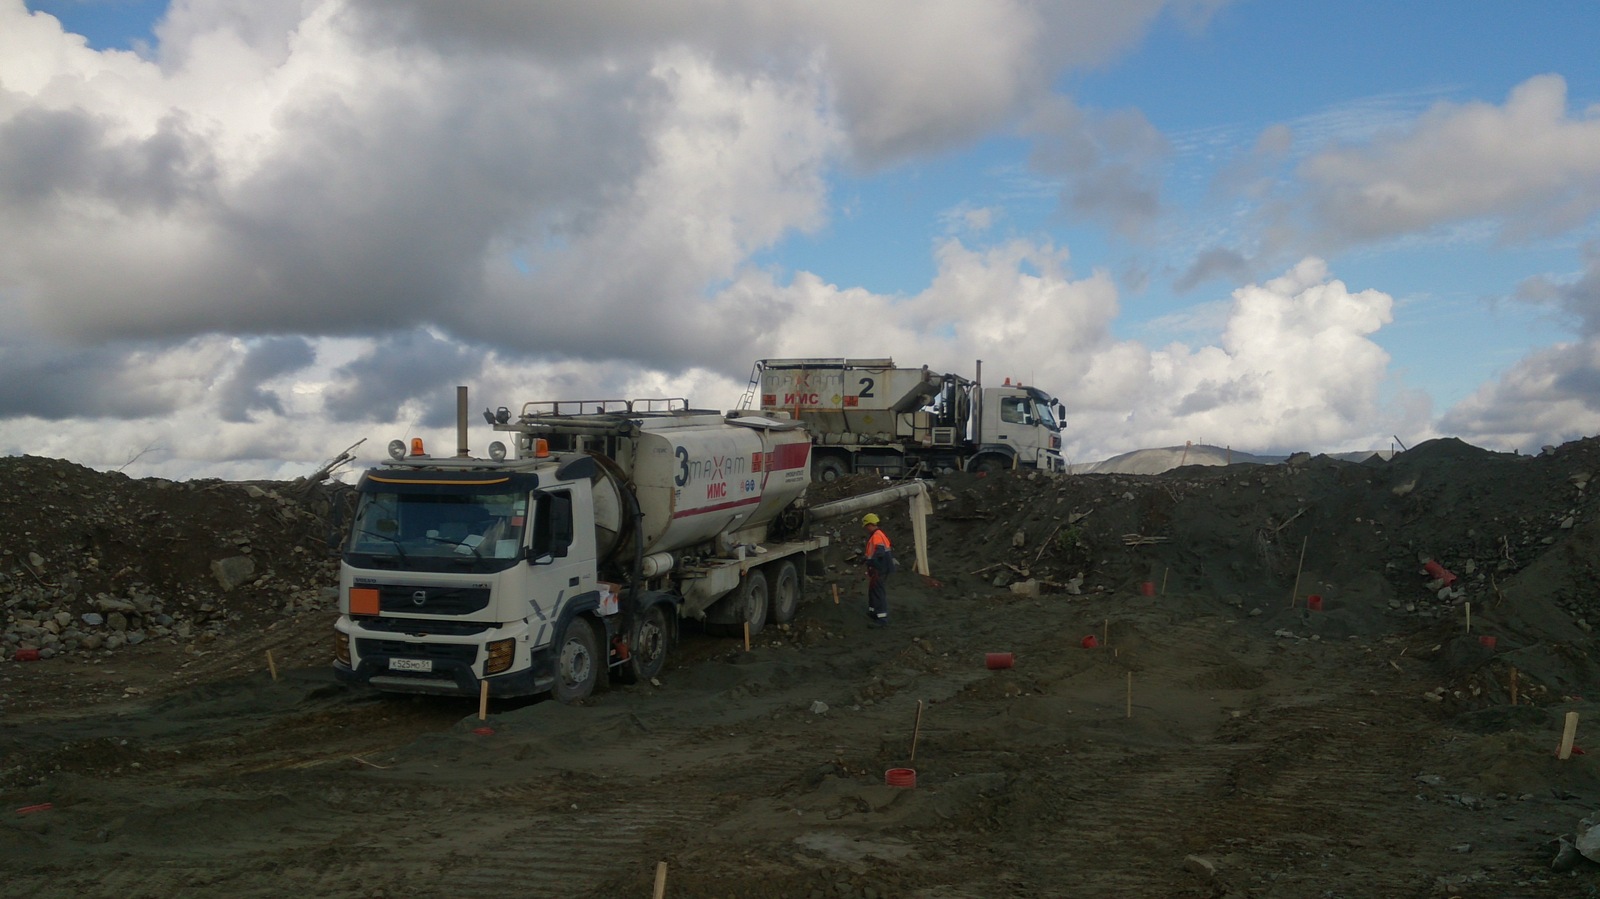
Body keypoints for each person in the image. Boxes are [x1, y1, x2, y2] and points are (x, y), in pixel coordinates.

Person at [861, 512, 894, 627]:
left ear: (870, 524)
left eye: (866, 526)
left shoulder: (877, 536)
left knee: (878, 592)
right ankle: (873, 612)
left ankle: (882, 619)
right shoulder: (878, 535)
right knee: (874, 590)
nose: (865, 529)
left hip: (880, 568)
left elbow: (879, 552)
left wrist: (871, 562)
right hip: (880, 567)